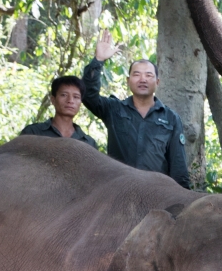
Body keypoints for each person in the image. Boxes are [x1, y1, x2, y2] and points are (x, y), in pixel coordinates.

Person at [82, 30, 191, 188]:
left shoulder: (171, 118)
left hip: (157, 195)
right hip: (118, 192)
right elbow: (88, 96)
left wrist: (182, 200)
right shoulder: (114, 109)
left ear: (157, 82)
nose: (142, 79)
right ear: (128, 81)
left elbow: (178, 165)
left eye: (148, 75)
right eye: (137, 74)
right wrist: (98, 61)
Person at [17, 75, 99, 149]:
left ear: (80, 103)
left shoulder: (89, 143)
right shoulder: (33, 133)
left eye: (76, 97)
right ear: (53, 100)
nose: (70, 101)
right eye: (64, 95)